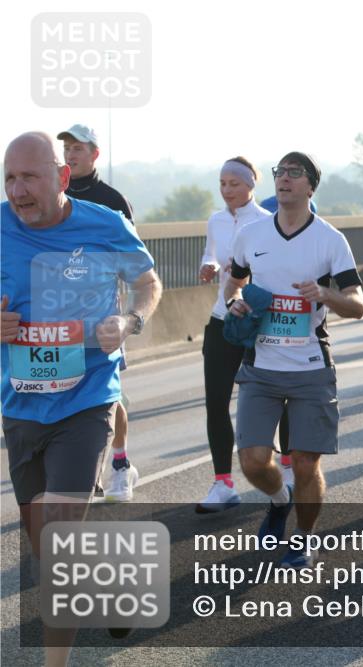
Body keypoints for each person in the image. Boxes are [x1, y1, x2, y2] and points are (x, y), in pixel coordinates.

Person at [2, 131, 162, 663]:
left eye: (29, 177)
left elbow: (148, 283)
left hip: (87, 397)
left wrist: (129, 318)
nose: (17, 191)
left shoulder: (104, 225)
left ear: (62, 177)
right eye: (9, 179)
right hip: (21, 404)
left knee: (62, 536)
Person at [225, 151, 363, 568]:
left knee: (305, 463)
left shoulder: (330, 240)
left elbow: (358, 305)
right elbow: (233, 284)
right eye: (279, 172)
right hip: (261, 366)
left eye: (294, 173)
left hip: (310, 368)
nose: (284, 179)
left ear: (310, 186)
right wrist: (235, 303)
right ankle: (278, 499)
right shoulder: (250, 235)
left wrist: (327, 295)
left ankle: (303, 539)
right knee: (252, 461)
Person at [197, 156, 296, 513]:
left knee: (278, 395)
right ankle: (223, 483)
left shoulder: (266, 223)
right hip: (222, 320)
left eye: (234, 184)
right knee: (215, 402)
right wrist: (208, 267)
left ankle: (287, 471)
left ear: (251, 186)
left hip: (258, 322)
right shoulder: (216, 220)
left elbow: (274, 273)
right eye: (222, 184)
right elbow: (210, 254)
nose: (227, 191)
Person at [57, 123, 138, 501]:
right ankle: (78, 468)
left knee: (109, 393)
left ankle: (120, 463)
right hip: (55, 311)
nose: (71, 154)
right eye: (67, 148)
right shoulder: (51, 193)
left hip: (102, 312)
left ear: (94, 154)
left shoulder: (112, 200)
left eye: (78, 148)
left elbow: (133, 260)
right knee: (63, 387)